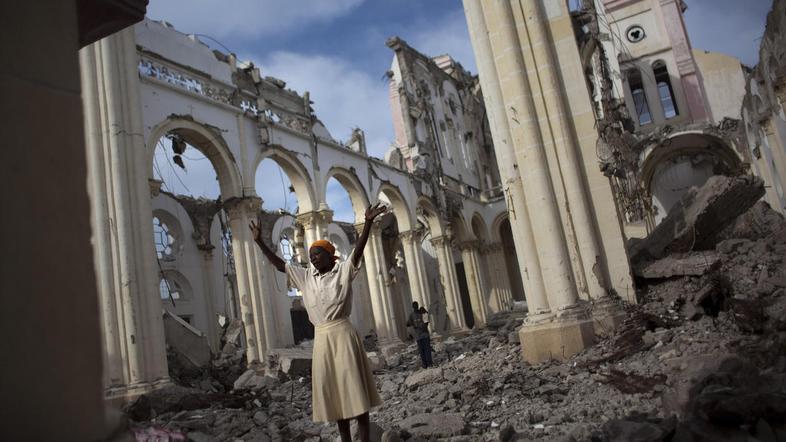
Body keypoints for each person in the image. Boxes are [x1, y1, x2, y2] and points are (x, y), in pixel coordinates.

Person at [249, 202, 386, 442]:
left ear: (330, 255)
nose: (313, 259)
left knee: (355, 390)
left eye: (317, 254)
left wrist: (368, 224)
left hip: (343, 334)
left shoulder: (343, 270)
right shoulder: (305, 277)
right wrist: (260, 242)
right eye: (311, 256)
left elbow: (358, 252)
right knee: (335, 394)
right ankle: (345, 439)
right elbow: (281, 265)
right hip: (322, 338)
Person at [407, 302, 433, 368]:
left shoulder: (423, 313)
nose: (415, 307)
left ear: (418, 306)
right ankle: (424, 364)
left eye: (416, 306)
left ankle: (430, 363)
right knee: (421, 351)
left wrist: (425, 313)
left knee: (427, 350)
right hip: (418, 336)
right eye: (414, 306)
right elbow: (407, 324)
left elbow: (426, 324)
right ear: (413, 307)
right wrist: (412, 325)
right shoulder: (411, 315)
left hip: (425, 335)